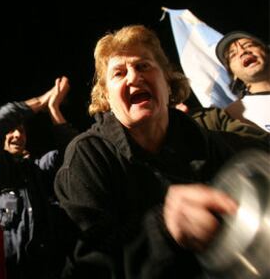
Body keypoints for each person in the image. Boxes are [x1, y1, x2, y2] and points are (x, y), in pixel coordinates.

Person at [54, 25, 268, 279]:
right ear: (106, 98)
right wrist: (164, 227)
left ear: (168, 82)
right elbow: (87, 267)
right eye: (119, 73)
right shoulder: (86, 157)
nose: (133, 78)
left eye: (143, 66)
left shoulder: (206, 142)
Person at [0, 76, 78, 279]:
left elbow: (76, 153)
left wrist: (54, 109)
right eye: (10, 131)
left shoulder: (40, 168)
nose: (16, 135)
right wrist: (41, 101)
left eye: (21, 130)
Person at [215, 31, 270, 132]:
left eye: (249, 45)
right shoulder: (234, 115)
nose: (242, 52)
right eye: (233, 55)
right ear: (233, 74)